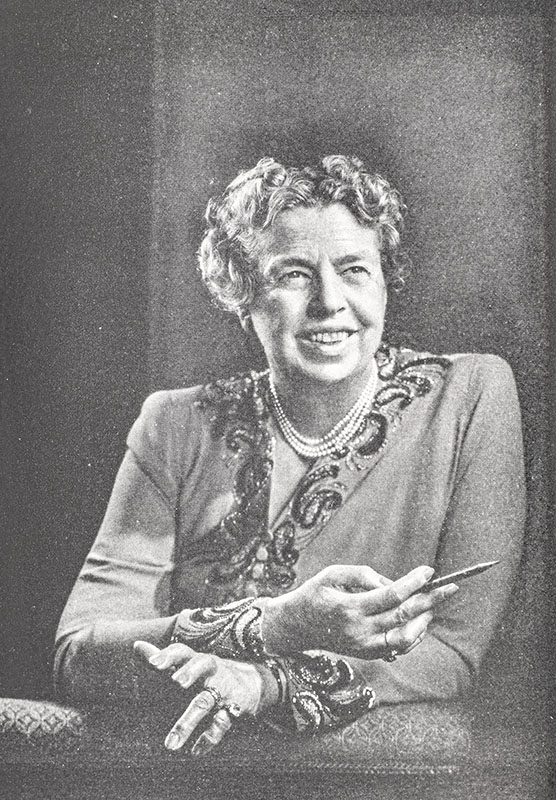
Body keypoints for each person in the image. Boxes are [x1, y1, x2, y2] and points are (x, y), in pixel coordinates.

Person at [55, 155, 525, 758]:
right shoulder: (174, 424)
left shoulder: (469, 396)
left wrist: (267, 682)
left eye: (354, 270)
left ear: (384, 283)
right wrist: (272, 625)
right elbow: (78, 654)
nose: (329, 301)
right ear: (241, 296)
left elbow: (454, 651)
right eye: (294, 274)